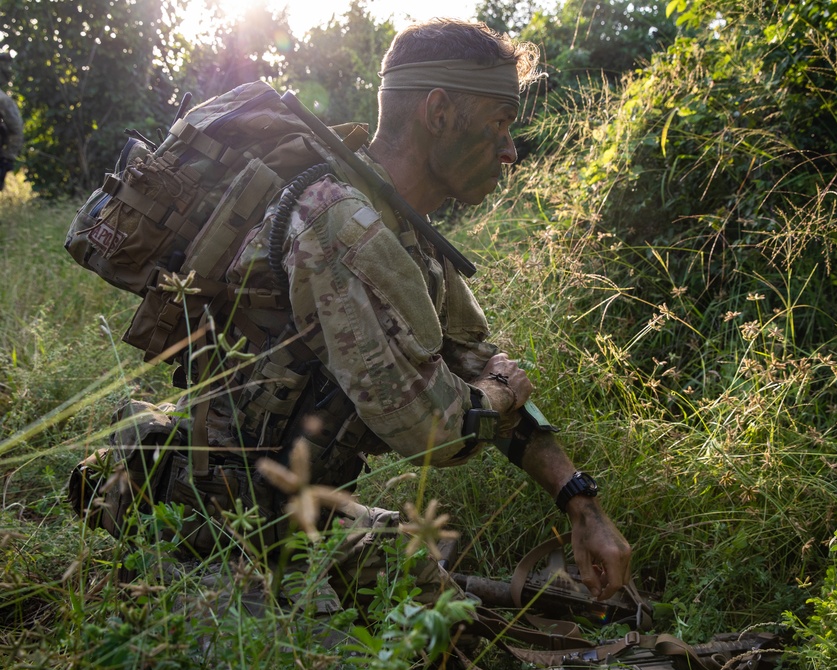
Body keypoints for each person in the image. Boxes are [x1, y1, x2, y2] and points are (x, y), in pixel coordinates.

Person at [90, 19, 632, 605]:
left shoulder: (403, 231)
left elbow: (477, 360)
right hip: (220, 527)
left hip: (285, 509)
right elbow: (431, 433)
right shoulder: (339, 223)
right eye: (499, 123)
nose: (509, 150)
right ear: (440, 112)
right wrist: (498, 395)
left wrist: (580, 500)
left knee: (433, 585)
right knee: (409, 643)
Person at [0, 52, 24, 191]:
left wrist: (6, 159)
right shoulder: (3, 100)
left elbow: (16, 129)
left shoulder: (3, 100)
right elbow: (16, 130)